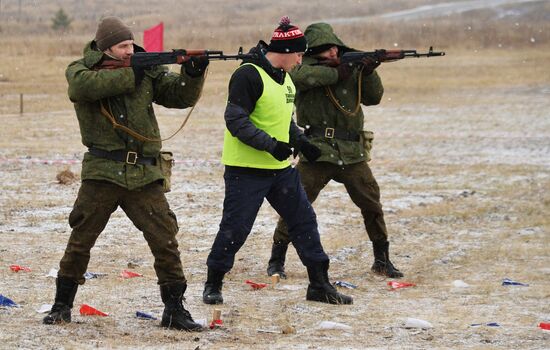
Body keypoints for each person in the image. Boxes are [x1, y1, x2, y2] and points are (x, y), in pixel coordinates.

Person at [42, 16, 209, 331]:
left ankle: (174, 309)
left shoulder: (145, 69)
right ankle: (61, 306)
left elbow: (179, 96)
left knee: (164, 239)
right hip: (103, 171)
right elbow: (82, 89)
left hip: (143, 174)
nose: (129, 50)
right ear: (106, 49)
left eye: (131, 44)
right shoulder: (82, 70)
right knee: (81, 240)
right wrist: (134, 72)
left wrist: (193, 71)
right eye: (122, 46)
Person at [202, 17, 352, 306]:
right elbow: (235, 120)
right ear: (285, 51)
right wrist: (271, 146)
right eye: (299, 54)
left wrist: (301, 142)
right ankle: (213, 283)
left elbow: (283, 121)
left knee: (304, 222)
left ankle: (319, 285)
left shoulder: (286, 79)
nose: (301, 60)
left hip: (281, 171)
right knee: (235, 229)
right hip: (246, 171)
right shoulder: (248, 75)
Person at [266, 23, 404, 280]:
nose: (332, 53)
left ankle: (382, 260)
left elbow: (374, 98)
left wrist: (369, 70)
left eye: (334, 49)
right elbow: (304, 78)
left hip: (352, 151)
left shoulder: (352, 68)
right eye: (325, 50)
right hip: (316, 150)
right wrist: (340, 71)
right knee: (295, 205)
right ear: (312, 52)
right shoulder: (298, 70)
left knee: (371, 203)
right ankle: (276, 260)